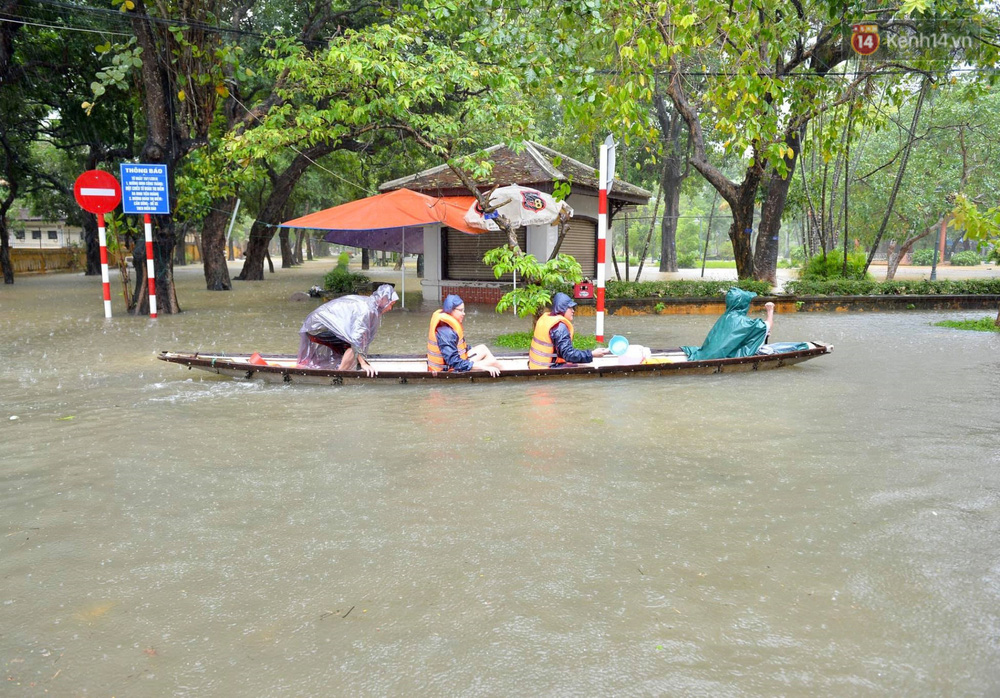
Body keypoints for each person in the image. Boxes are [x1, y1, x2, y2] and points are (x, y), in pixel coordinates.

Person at [296, 284, 398, 376]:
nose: (390, 308)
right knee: (354, 346)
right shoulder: (367, 309)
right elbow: (357, 339)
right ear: (383, 299)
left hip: (316, 324)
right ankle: (339, 376)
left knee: (356, 346)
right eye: (391, 304)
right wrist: (363, 363)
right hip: (317, 327)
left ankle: (341, 369)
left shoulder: (369, 305)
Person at [681, 287, 775, 361]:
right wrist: (770, 311)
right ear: (743, 304)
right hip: (721, 356)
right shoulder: (743, 322)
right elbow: (767, 325)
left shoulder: (725, 317)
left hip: (705, 354)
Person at [528, 292, 610, 369]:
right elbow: (568, 355)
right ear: (562, 309)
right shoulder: (560, 327)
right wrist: (592, 354)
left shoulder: (546, 319)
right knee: (586, 368)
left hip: (536, 366)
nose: (573, 311)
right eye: (570, 308)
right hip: (548, 368)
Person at [426, 294, 503, 377]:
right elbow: (454, 362)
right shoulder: (446, 332)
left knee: (482, 348)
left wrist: (471, 349)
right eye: (460, 310)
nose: (464, 313)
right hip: (447, 370)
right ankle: (504, 375)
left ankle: (501, 371)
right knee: (493, 362)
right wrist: (483, 367)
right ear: (451, 310)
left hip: (455, 363)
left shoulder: (448, 326)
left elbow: (459, 348)